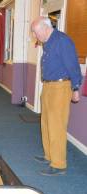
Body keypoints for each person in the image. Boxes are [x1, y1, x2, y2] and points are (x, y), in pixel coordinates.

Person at [31, 17, 82, 176]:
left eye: (36, 33)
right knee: (45, 122)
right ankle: (49, 156)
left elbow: (73, 66)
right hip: (48, 86)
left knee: (57, 125)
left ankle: (59, 164)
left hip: (60, 87)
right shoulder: (48, 42)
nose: (35, 36)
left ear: (46, 28)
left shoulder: (62, 41)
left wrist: (75, 88)